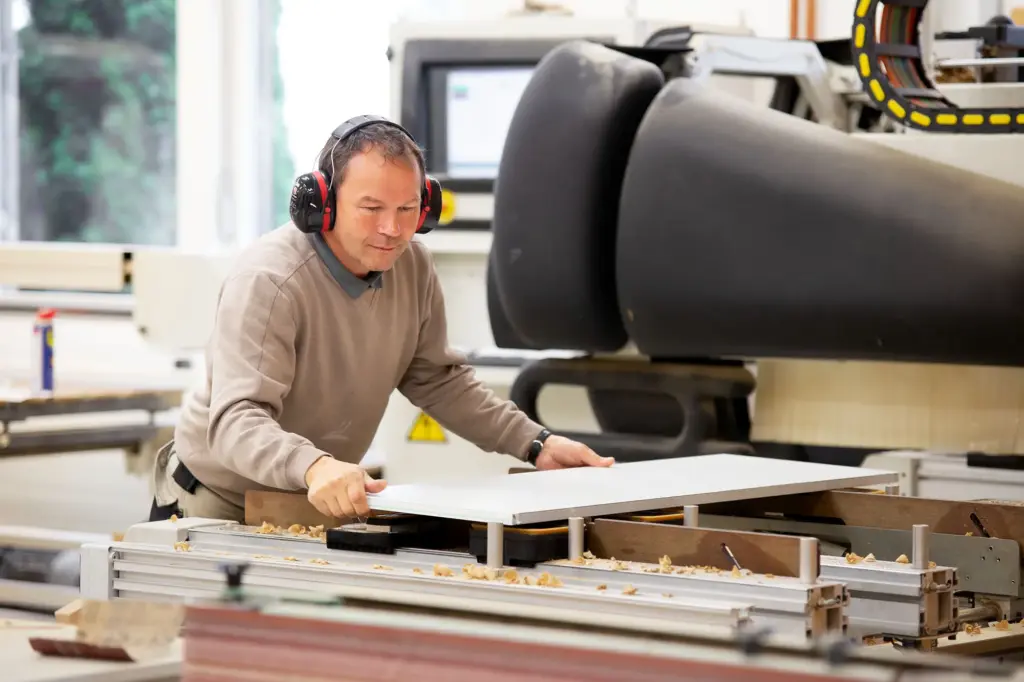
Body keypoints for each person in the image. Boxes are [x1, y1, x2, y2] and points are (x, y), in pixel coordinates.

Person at [149, 115, 613, 524]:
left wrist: (536, 444)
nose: (392, 230)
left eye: (407, 210)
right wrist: (315, 466)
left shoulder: (411, 265)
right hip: (217, 502)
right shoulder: (271, 281)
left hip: (313, 499)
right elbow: (236, 420)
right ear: (321, 203)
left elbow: (438, 380)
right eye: (371, 209)